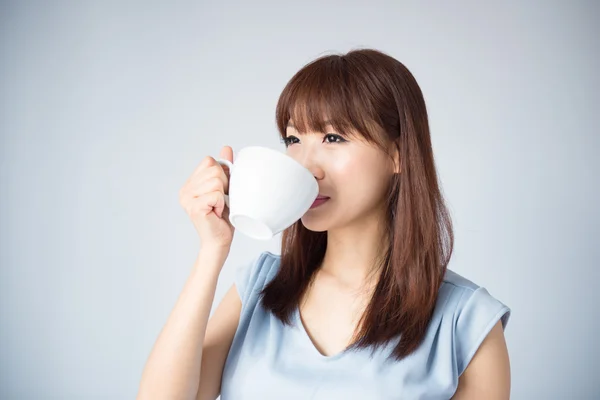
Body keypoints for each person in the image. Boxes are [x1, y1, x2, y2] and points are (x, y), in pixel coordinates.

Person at [137, 48, 511, 400]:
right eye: (293, 138)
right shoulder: (259, 287)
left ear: (397, 156)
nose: (304, 165)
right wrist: (211, 250)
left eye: (333, 137)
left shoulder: (467, 321)